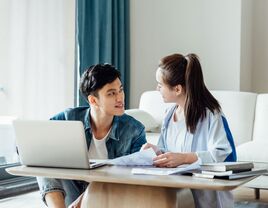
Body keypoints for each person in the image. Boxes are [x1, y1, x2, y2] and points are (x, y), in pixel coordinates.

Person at [37, 64, 146, 208]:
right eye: (111, 93)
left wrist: (84, 199)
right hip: (72, 189)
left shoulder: (135, 130)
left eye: (120, 90)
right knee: (42, 157)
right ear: (93, 100)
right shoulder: (68, 117)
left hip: (109, 195)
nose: (120, 98)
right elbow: (36, 141)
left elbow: (133, 178)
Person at [142, 53, 236, 208]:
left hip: (209, 199)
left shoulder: (211, 115)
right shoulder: (169, 114)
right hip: (179, 195)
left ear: (177, 89)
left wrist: (185, 158)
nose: (156, 88)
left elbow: (225, 156)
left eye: (160, 84)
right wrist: (157, 151)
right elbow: (170, 151)